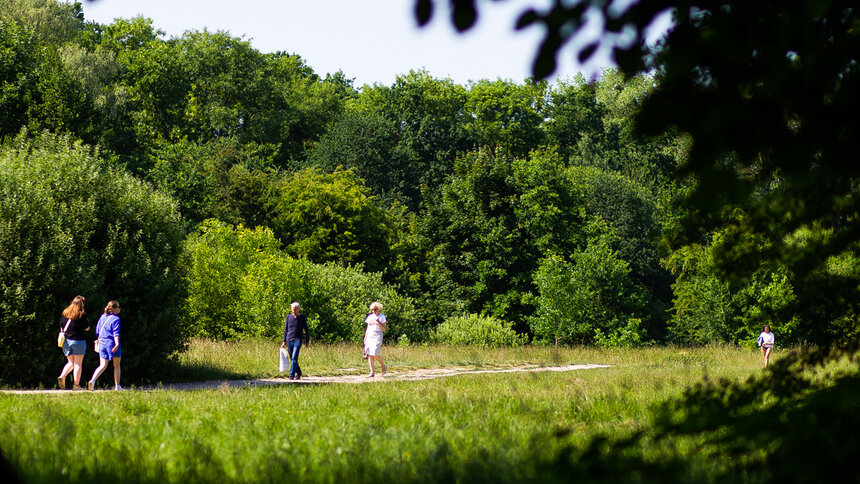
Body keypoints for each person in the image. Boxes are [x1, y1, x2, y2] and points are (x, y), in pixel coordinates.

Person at [87, 301, 123, 390]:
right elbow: (116, 333)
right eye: (118, 306)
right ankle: (117, 386)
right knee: (117, 365)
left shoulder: (102, 317)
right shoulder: (116, 319)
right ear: (114, 308)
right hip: (111, 343)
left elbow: (97, 331)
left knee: (102, 365)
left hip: (102, 343)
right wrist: (117, 343)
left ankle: (92, 380)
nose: (120, 308)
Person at [57, 296, 90, 390]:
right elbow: (87, 328)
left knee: (70, 362)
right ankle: (76, 385)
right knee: (78, 364)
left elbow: (62, 327)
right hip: (78, 341)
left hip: (66, 341)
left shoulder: (65, 313)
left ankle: (63, 375)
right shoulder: (80, 314)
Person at [280, 302, 310, 380]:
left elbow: (306, 330)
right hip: (289, 339)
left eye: (295, 309)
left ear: (299, 309)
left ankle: (291, 374)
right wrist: (284, 341)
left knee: (294, 357)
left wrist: (307, 341)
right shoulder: (288, 317)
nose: (294, 311)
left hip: (298, 340)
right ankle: (299, 372)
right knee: (292, 358)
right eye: (292, 309)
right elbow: (286, 330)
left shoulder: (302, 317)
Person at [363, 302, 387, 377]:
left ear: (379, 309)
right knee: (369, 354)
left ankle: (383, 366)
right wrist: (365, 338)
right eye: (372, 309)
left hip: (377, 335)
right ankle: (372, 372)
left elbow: (383, 329)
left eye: (375, 309)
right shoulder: (370, 317)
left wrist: (378, 322)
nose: (374, 311)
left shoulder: (382, 317)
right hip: (370, 335)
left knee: (375, 352)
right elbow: (368, 328)